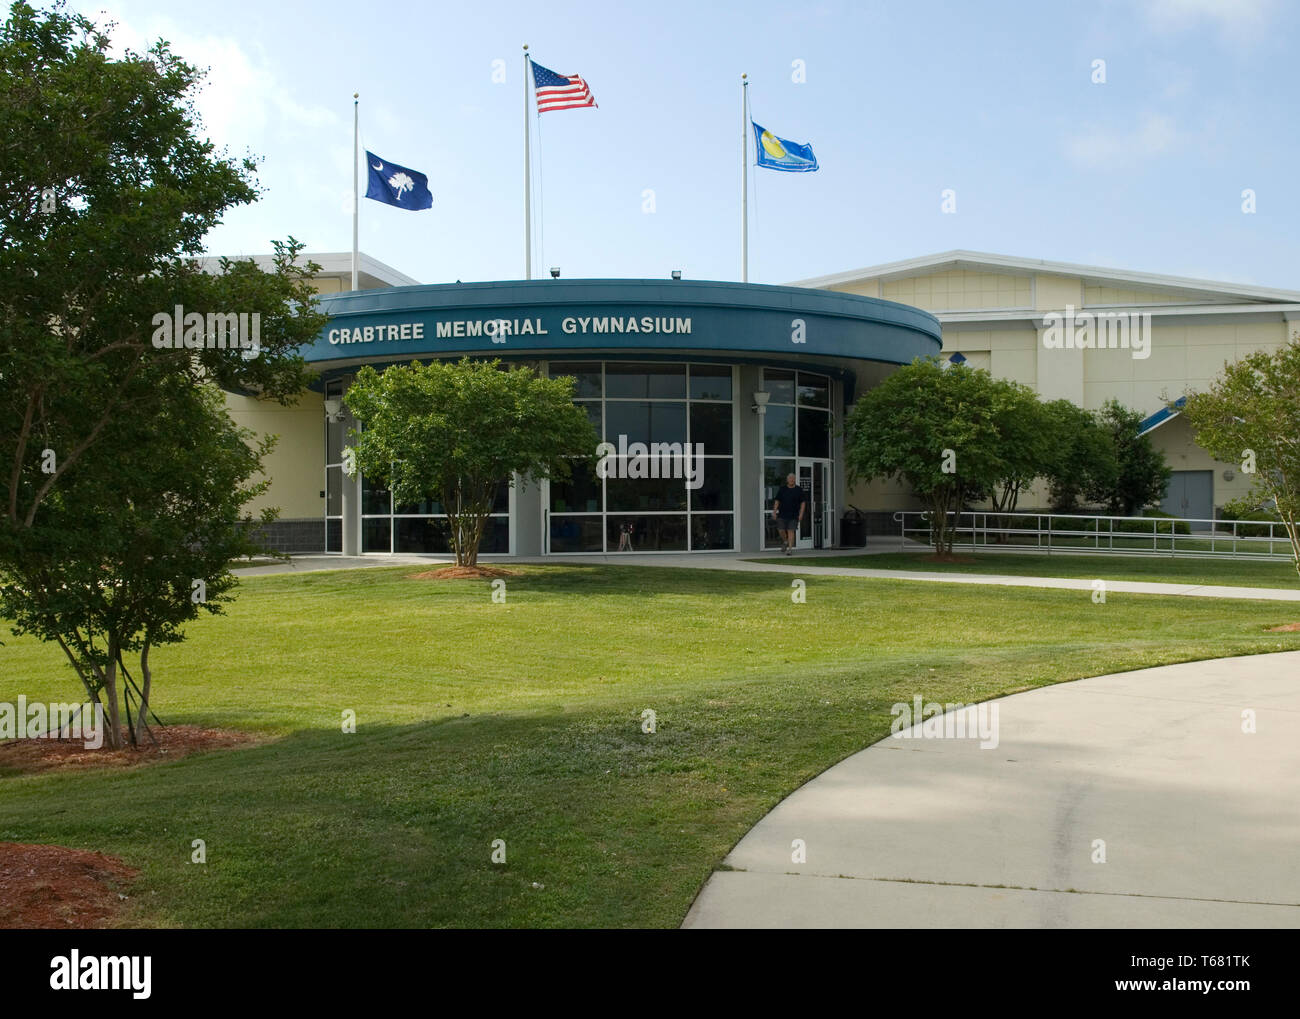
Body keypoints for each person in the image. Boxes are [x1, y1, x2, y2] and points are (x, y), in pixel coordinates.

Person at [771, 474, 807, 555]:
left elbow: (803, 503)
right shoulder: (782, 489)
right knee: (781, 530)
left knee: (791, 531)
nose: (791, 480)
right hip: (782, 514)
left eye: (793, 478)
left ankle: (789, 549)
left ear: (795, 480)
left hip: (794, 515)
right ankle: (785, 541)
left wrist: (801, 514)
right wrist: (774, 512)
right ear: (787, 480)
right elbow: (777, 501)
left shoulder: (799, 490)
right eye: (790, 478)